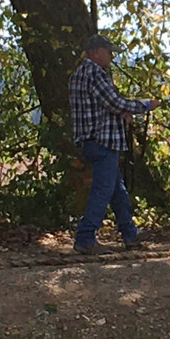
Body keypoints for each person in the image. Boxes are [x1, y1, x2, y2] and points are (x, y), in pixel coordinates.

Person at [69, 33, 160, 255]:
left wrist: (123, 113)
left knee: (117, 190)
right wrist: (146, 104)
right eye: (108, 52)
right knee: (103, 190)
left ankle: (130, 235)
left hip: (90, 141)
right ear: (96, 51)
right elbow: (115, 102)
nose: (111, 56)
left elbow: (101, 107)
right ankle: (85, 237)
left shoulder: (79, 74)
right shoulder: (95, 73)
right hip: (103, 142)